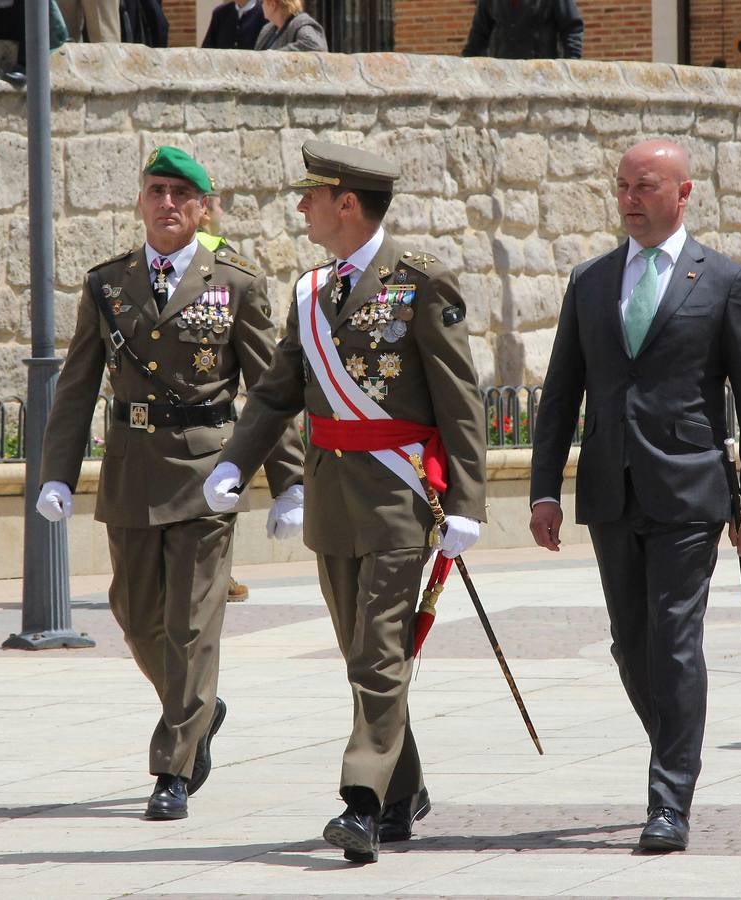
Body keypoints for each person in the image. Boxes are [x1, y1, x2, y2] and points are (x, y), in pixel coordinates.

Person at [204, 140, 486, 863]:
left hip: (398, 495)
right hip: (332, 497)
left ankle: (359, 803)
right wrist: (238, 463)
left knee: (378, 652)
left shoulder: (422, 284)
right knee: (362, 653)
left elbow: (460, 403)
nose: (301, 206)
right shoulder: (310, 290)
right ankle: (403, 788)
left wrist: (467, 503)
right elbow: (276, 391)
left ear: (347, 204)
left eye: (311, 195)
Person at [36, 146, 305, 821]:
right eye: (156, 192)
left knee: (190, 626)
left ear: (203, 208)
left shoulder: (236, 284)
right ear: (140, 202)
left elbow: (271, 390)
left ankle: (172, 768)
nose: (167, 206)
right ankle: (201, 710)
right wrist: (57, 475)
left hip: (207, 472)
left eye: (181, 196)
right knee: (134, 616)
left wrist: (287, 481)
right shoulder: (108, 284)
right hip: (129, 470)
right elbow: (74, 391)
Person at [529, 138, 741, 852]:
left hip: (691, 488)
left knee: (672, 640)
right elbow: (559, 396)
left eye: (645, 186)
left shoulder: (725, 280)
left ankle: (668, 799)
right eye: (622, 186)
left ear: (682, 193)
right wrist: (543, 489)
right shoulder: (590, 280)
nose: (630, 199)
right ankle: (677, 740)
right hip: (611, 487)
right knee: (629, 646)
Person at [195, 190, 250, 604]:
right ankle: (223, 576)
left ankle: (222, 576)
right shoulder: (217, 250)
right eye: (214, 204)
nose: (217, 212)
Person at [462, 0, 583, 60]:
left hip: (541, 77)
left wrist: (571, 63)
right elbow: (478, 36)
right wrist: (464, 67)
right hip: (502, 77)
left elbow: (571, 27)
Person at [254, 0, 327, 52]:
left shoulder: (301, 23)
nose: (261, 5)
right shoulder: (267, 30)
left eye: (263, 2)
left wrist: (275, 55)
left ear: (273, 4)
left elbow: (314, 45)